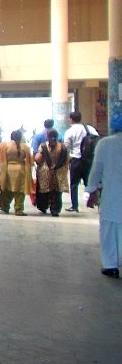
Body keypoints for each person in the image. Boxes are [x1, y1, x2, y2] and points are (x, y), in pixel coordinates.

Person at [86, 114, 122, 278]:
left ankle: (110, 266)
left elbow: (96, 170)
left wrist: (91, 190)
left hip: (112, 197)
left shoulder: (105, 144)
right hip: (112, 196)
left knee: (109, 231)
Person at [63, 111, 99, 212]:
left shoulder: (69, 132)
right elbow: (96, 139)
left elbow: (66, 147)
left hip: (76, 160)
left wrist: (67, 160)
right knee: (89, 182)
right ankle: (95, 202)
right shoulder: (89, 128)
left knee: (74, 184)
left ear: (71, 119)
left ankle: (75, 206)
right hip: (88, 160)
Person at [0, 129, 33, 216]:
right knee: (20, 190)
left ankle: (4, 206)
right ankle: (18, 209)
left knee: (7, 189)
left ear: (11, 137)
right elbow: (30, 160)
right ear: (20, 137)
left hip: (8, 170)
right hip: (21, 170)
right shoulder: (25, 147)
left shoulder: (4, 145)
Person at [34, 128, 69, 216]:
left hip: (45, 174)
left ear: (47, 136)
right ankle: (55, 209)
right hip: (58, 173)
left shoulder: (43, 146)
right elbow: (66, 161)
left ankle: (44, 206)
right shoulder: (63, 147)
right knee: (57, 193)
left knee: (44, 192)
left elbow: (37, 159)